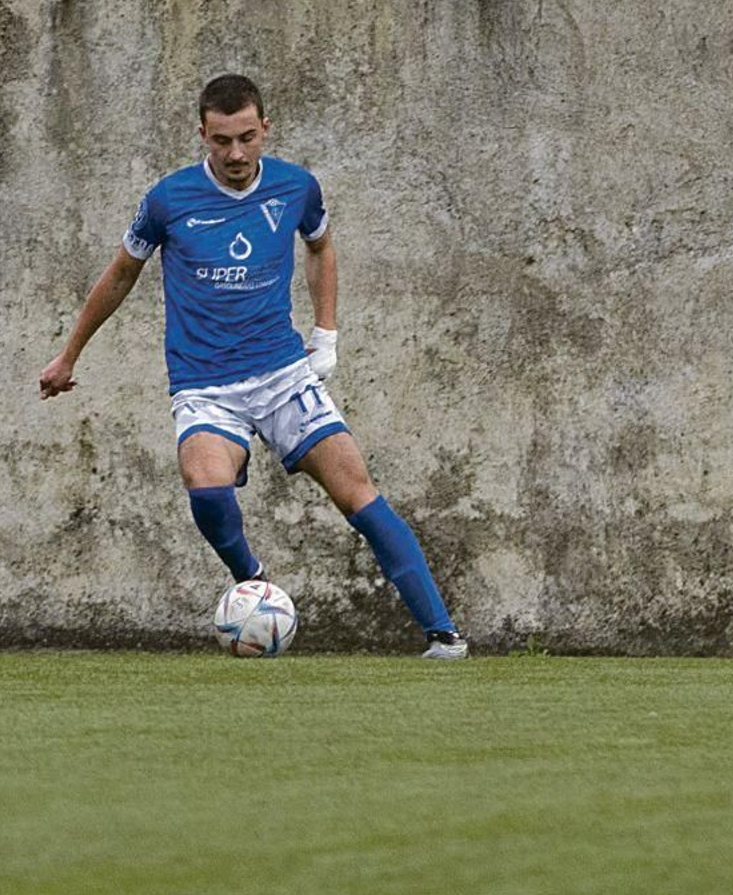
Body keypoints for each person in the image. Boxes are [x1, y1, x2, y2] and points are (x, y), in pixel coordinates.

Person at [39, 75, 468, 660]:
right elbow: (119, 275)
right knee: (206, 485)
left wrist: (326, 332)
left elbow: (320, 246)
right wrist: (69, 355)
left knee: (356, 493)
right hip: (205, 384)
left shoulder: (297, 188)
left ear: (265, 128)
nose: (236, 154)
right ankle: (256, 582)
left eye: (246, 138)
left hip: (283, 374)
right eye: (221, 141)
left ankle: (442, 635)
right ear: (202, 136)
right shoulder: (168, 200)